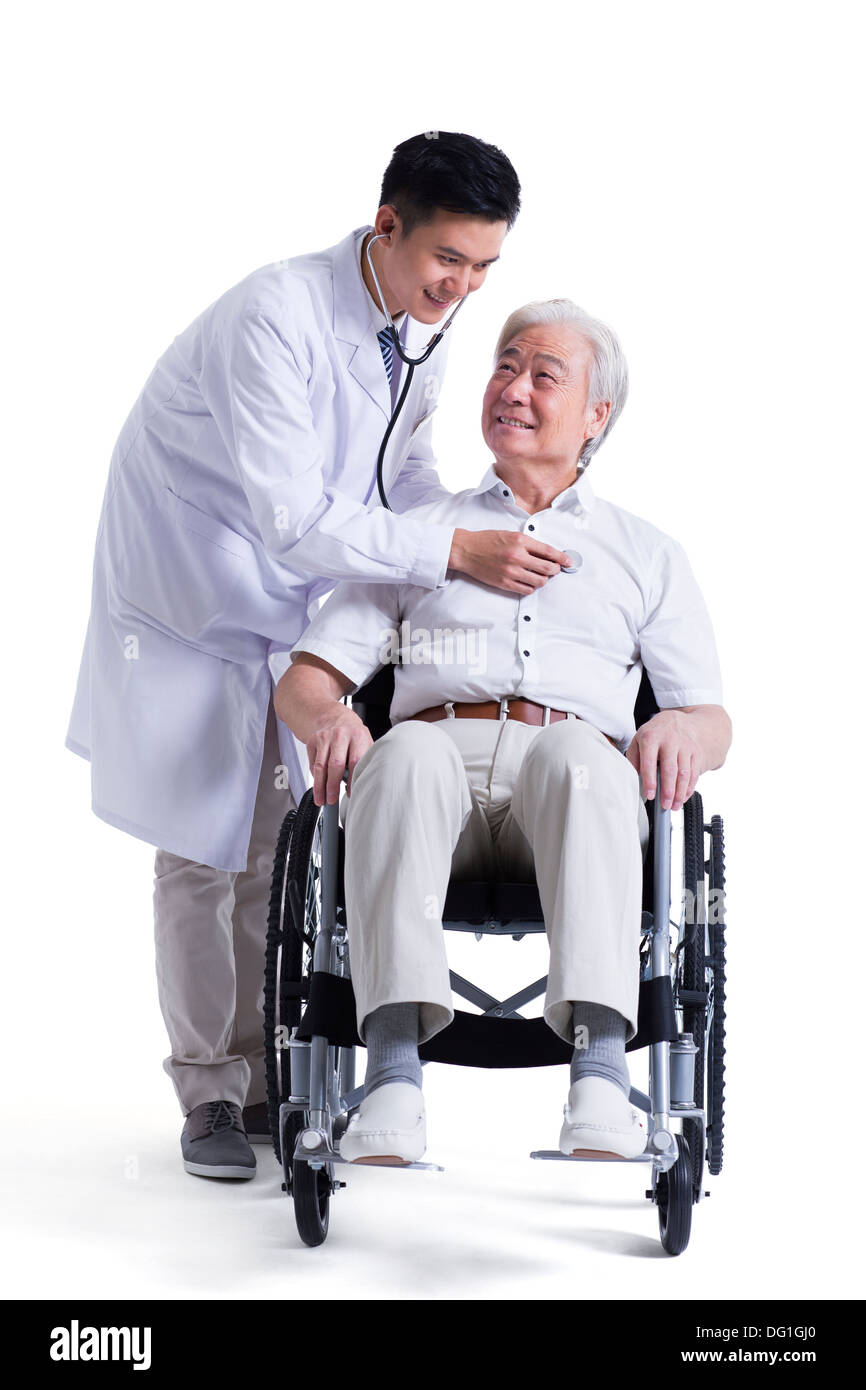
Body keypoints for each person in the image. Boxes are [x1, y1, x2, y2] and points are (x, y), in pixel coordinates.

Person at [66, 132, 572, 1181]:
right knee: (202, 853)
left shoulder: (409, 328)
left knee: (271, 844)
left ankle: (262, 1084)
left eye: (484, 268)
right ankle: (210, 1093)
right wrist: (450, 546)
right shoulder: (274, 316)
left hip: (283, 596)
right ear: (386, 225)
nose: (464, 288)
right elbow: (295, 517)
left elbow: (401, 470)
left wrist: (475, 526)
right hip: (188, 596)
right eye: (449, 260)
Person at [275, 297, 733, 1165]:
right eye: (504, 365)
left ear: (597, 416)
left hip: (572, 793)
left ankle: (600, 1075)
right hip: (428, 781)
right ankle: (395, 1083)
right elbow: (304, 681)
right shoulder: (422, 536)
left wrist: (682, 727)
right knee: (404, 749)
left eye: (543, 375)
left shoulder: (647, 554)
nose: (513, 389)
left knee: (581, 755)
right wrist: (329, 713)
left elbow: (712, 718)